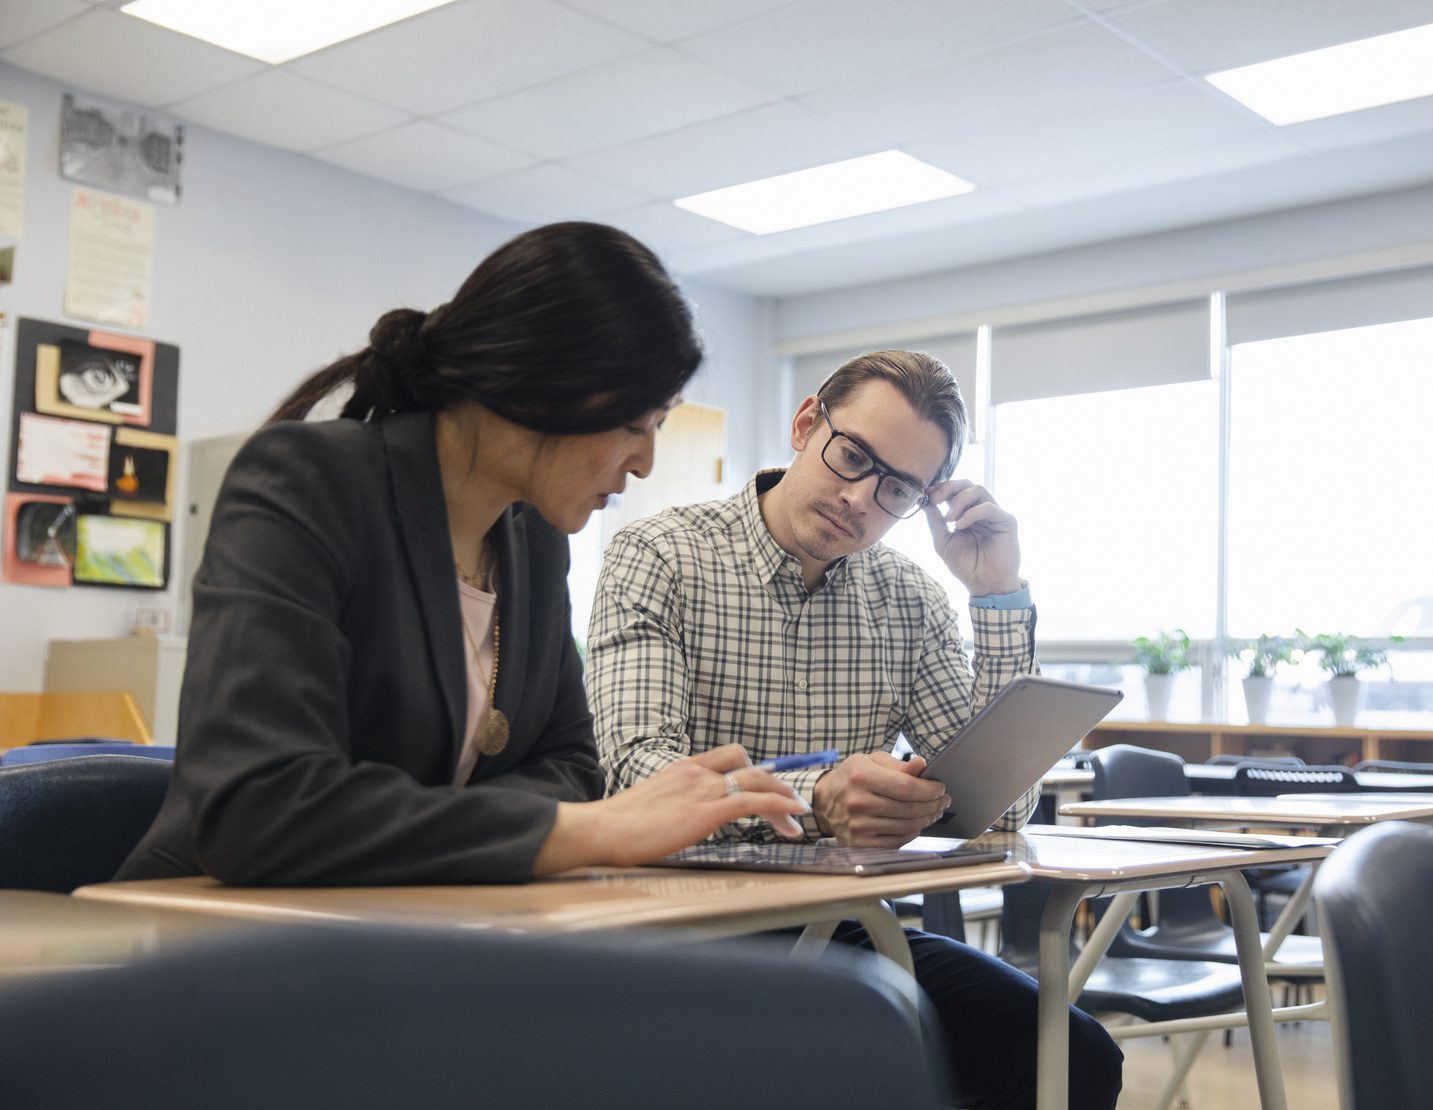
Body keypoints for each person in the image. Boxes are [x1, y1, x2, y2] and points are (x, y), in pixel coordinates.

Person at [119, 222, 805, 887]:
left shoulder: (535, 540)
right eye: (635, 423)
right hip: (210, 927)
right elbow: (260, 805)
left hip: (420, 921)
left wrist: (443, 822)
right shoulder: (309, 481)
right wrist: (592, 831)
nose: (645, 463)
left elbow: (572, 766)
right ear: (537, 384)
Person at [586, 349, 1122, 1110]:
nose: (860, 499)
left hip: (838, 931)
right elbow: (637, 773)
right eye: (853, 457)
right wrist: (815, 799)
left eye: (896, 488)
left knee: (1072, 1058)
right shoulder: (660, 554)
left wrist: (996, 595)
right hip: (674, 927)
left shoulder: (912, 601)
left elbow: (1002, 812)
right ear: (807, 424)